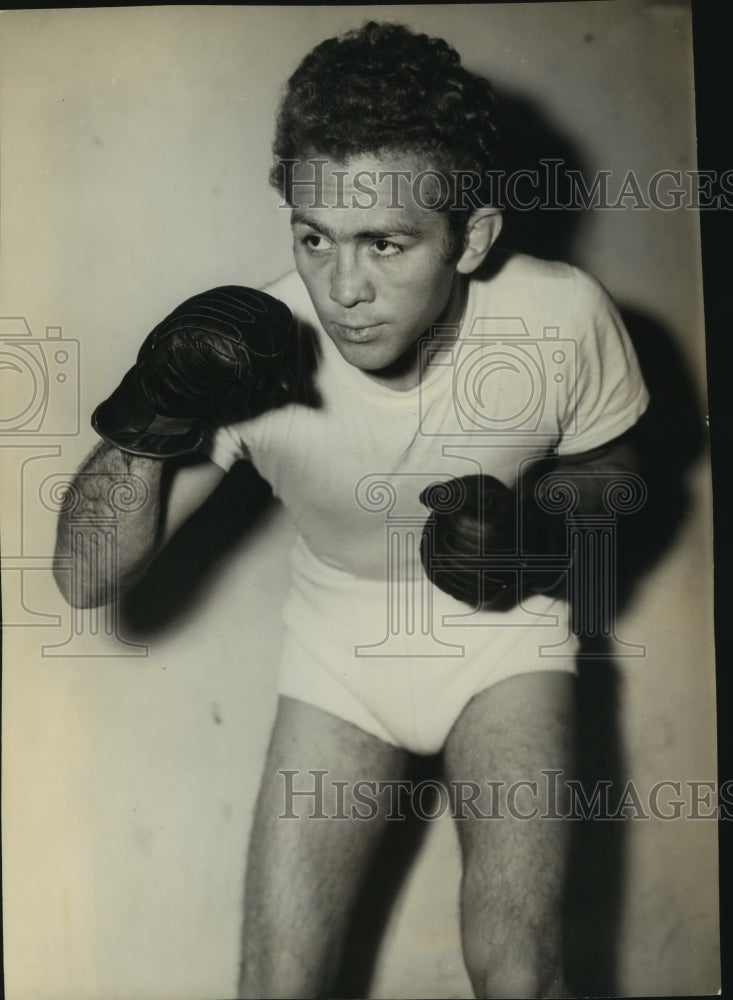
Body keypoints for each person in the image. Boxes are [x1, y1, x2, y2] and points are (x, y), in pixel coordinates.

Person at [54, 21, 649, 999]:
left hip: (504, 641)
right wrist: (145, 416)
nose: (342, 289)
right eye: (315, 237)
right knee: (275, 981)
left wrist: (546, 528)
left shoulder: (560, 315)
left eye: (385, 244)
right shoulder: (260, 343)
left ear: (474, 236)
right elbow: (85, 578)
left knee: (516, 963)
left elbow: (619, 469)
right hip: (337, 648)